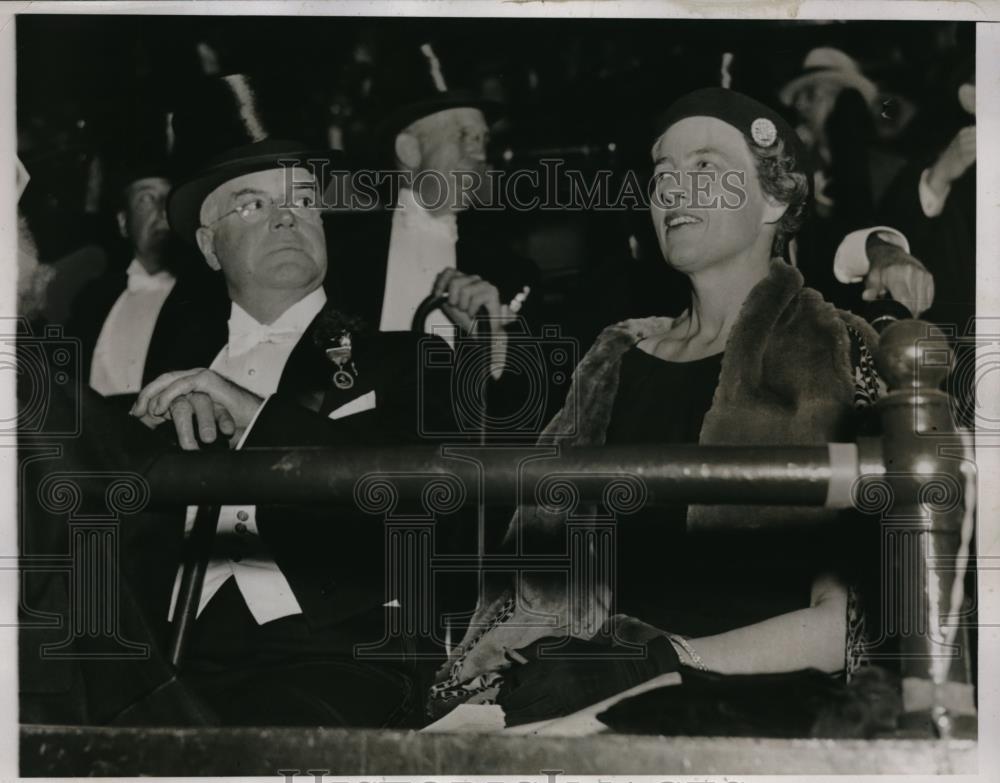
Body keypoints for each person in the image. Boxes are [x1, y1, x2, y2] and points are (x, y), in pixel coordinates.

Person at [429, 87, 883, 726]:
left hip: (747, 705)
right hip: (577, 690)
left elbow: (850, 623)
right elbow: (534, 580)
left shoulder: (834, 350)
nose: (672, 190)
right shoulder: (614, 361)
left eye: (703, 167)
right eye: (662, 175)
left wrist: (667, 662)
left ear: (775, 196)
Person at [127, 73, 457, 727]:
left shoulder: (406, 360)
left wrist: (252, 413)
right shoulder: (166, 384)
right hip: (171, 661)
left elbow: (430, 499)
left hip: (342, 659)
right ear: (206, 244)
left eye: (303, 199)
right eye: (251, 204)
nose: (286, 216)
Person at [67, 109, 227, 399]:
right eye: (145, 200)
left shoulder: (211, 298)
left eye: (169, 200)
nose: (161, 211)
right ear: (123, 223)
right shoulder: (91, 299)